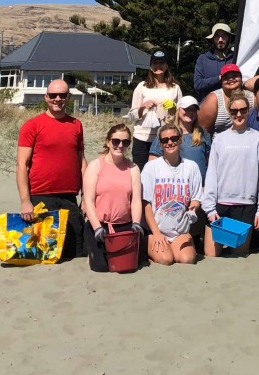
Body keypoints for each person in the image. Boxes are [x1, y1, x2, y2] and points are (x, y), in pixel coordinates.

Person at [16, 79, 87, 260]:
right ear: (46, 97)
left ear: (68, 97)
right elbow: (22, 165)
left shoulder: (76, 125)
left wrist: (86, 197)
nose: (57, 99)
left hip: (69, 197)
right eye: (53, 95)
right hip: (41, 195)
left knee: (76, 251)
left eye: (62, 95)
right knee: (45, 254)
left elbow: (81, 162)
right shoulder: (33, 125)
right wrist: (25, 201)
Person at [202, 94, 259, 257]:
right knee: (211, 255)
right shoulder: (219, 139)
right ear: (229, 112)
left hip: (245, 207)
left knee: (238, 256)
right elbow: (212, 175)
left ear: (249, 111)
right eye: (234, 110)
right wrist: (209, 208)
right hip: (219, 206)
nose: (238, 114)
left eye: (243, 110)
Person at [82, 123, 144, 273]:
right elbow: (88, 201)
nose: (120, 145)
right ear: (108, 142)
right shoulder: (95, 166)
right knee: (101, 267)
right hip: (100, 225)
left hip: (124, 225)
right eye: (116, 141)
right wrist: (97, 227)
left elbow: (136, 200)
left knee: (127, 266)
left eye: (125, 142)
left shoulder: (133, 168)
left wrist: (136, 223)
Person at [140, 124, 203, 265]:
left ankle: (171, 247)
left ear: (180, 140)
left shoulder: (191, 167)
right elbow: (146, 204)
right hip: (156, 229)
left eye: (174, 138)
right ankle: (146, 243)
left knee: (187, 259)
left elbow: (196, 198)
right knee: (166, 259)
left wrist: (193, 207)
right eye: (165, 140)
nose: (170, 142)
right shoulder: (151, 167)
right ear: (160, 144)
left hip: (179, 230)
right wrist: (156, 233)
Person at [130, 52, 182, 170]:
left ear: (167, 65)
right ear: (150, 66)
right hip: (142, 137)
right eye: (155, 63)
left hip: (165, 138)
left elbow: (180, 114)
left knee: (164, 171)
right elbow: (132, 116)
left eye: (162, 63)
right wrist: (143, 107)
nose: (158, 66)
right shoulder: (142, 87)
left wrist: (173, 108)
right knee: (141, 173)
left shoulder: (175, 88)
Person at [149, 96, 211, 178]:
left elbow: (210, 160)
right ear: (178, 110)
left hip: (200, 186)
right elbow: (153, 161)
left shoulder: (202, 133)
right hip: (175, 184)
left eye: (193, 109)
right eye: (186, 109)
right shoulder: (166, 132)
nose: (190, 112)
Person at [198, 64, 249, 137]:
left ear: (241, 78)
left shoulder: (251, 97)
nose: (231, 79)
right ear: (221, 81)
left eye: (235, 76)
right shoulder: (213, 98)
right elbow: (202, 130)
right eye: (226, 77)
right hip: (219, 144)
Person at [193, 23, 236, 100]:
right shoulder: (203, 59)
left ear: (229, 38)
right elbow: (198, 85)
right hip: (207, 108)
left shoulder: (236, 58)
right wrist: (220, 78)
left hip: (232, 107)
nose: (220, 40)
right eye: (217, 36)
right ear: (212, 39)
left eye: (224, 36)